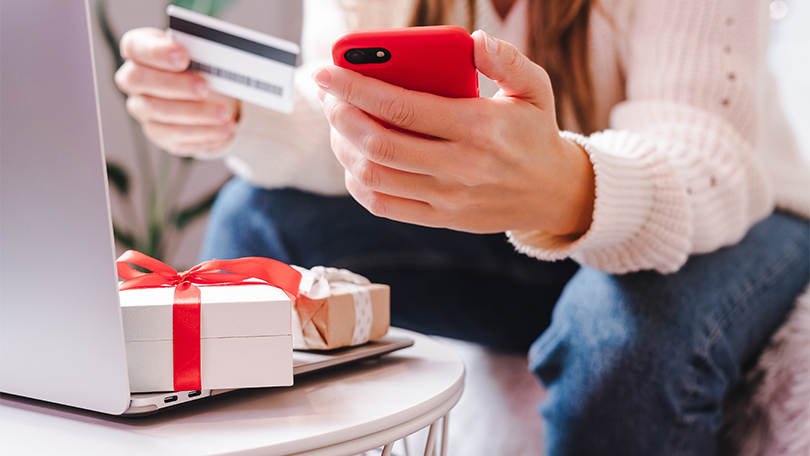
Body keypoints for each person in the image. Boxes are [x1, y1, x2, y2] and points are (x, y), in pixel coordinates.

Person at [115, 0, 810, 453]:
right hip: (520, 234)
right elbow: (344, 116)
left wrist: (567, 185)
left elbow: (704, 152)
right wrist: (234, 110)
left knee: (621, 333)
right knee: (254, 218)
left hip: (735, 217)